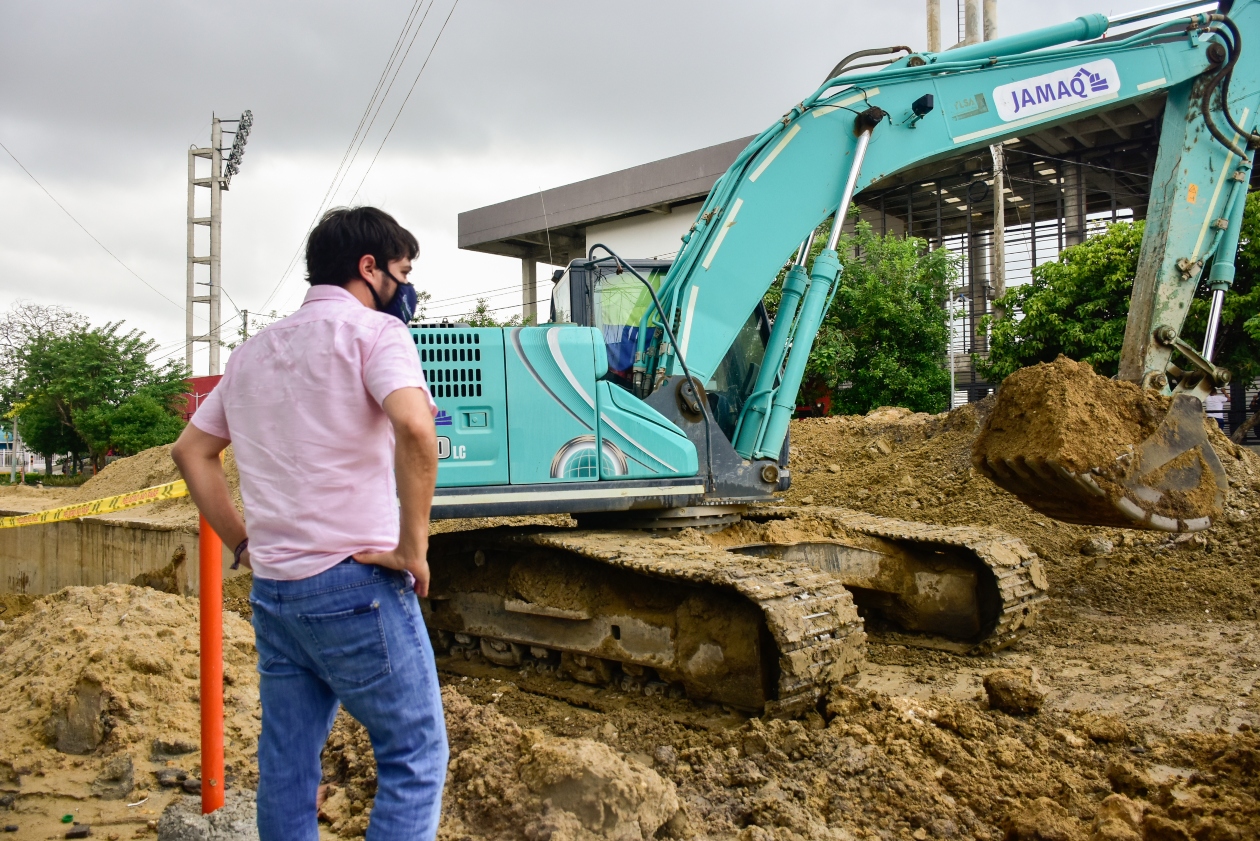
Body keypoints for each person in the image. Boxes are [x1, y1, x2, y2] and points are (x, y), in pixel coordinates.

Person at [171, 206, 446, 841]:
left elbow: (191, 452)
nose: (405, 289)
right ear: (368, 267)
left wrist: (242, 542)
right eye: (401, 272)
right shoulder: (376, 336)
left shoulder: (253, 353)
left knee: (288, 766)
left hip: (275, 591)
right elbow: (414, 427)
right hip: (356, 589)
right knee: (415, 755)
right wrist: (413, 549)